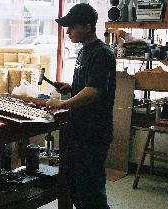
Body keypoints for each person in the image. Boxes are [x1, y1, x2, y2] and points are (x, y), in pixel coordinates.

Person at [47, 3, 116, 209]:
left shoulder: (101, 53)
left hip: (93, 133)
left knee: (91, 191)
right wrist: (70, 87)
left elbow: (94, 92)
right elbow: (86, 86)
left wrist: (62, 102)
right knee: (75, 188)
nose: (67, 32)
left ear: (87, 27)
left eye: (72, 27)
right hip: (79, 129)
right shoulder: (83, 51)